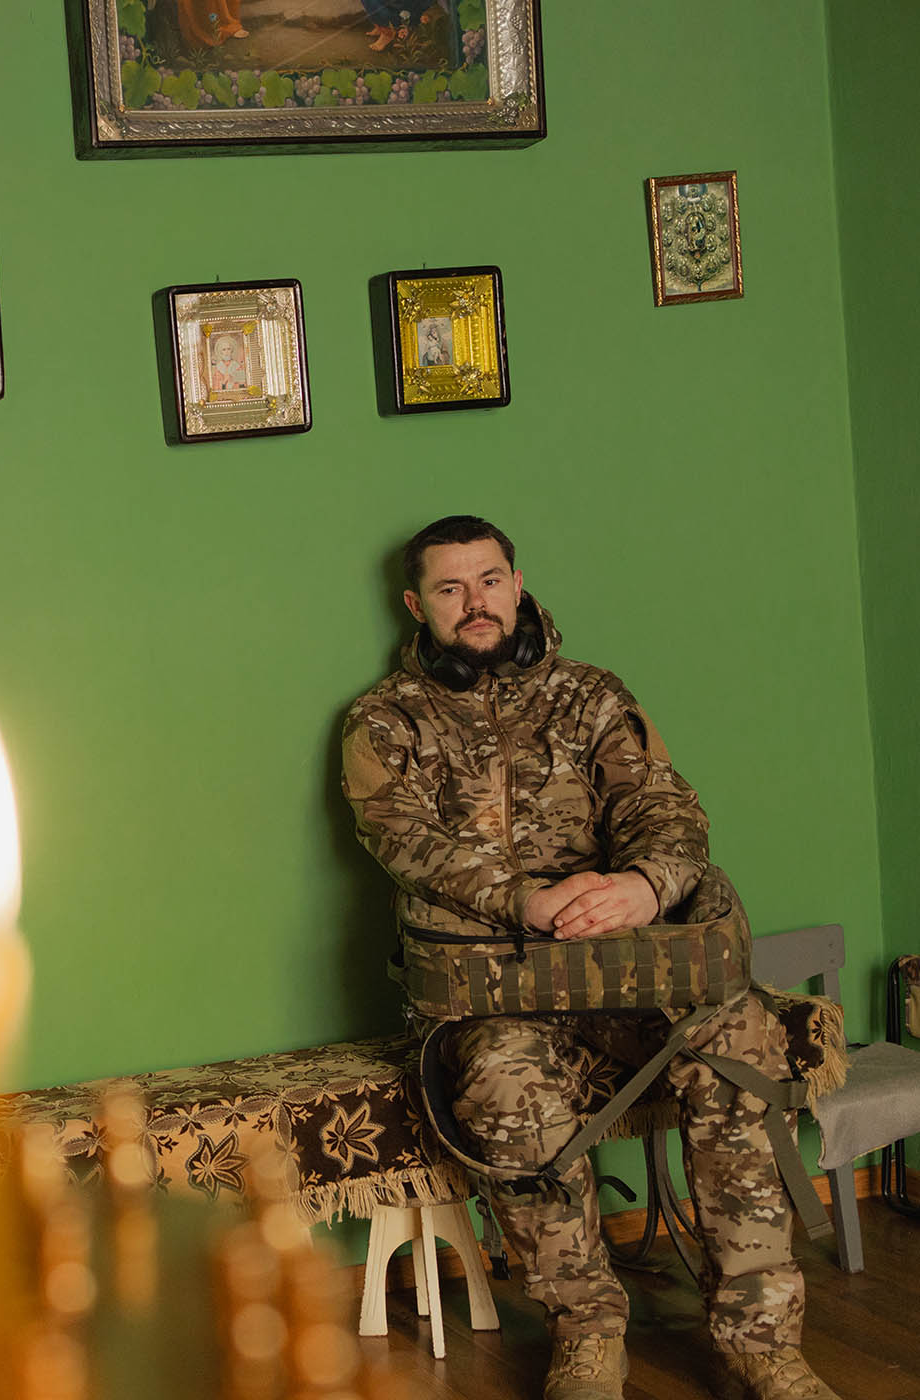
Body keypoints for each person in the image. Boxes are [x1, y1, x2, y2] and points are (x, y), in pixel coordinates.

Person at [339, 515, 838, 1400]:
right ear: (418, 606)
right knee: (501, 1084)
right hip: (495, 994)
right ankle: (588, 1332)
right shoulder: (385, 721)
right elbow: (402, 838)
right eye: (451, 590)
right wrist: (521, 900)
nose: (475, 604)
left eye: (489, 581)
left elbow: (669, 813)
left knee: (739, 1041)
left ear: (518, 583)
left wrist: (644, 886)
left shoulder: (593, 698)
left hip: (627, 977)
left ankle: (763, 1340)